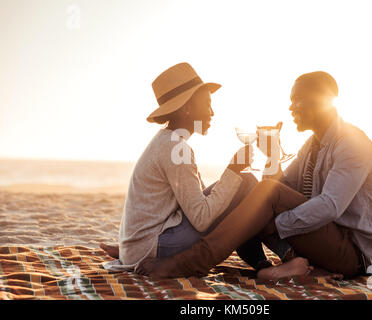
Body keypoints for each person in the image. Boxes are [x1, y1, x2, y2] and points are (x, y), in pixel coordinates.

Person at [133, 71, 372, 280]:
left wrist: (273, 221)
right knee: (251, 192)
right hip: (321, 240)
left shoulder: (352, 143)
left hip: (352, 254)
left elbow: (330, 206)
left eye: (297, 99)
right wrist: (272, 155)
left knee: (259, 200)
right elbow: (281, 187)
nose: (290, 107)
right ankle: (271, 268)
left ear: (322, 101)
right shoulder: (312, 146)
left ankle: (189, 263)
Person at [101, 63, 307, 278]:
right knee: (247, 187)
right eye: (207, 104)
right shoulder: (175, 148)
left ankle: (266, 264)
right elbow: (201, 218)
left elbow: (196, 204)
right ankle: (284, 257)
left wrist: (235, 175)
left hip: (144, 243)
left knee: (245, 186)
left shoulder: (169, 142)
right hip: (153, 246)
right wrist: (233, 169)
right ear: (186, 108)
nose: (212, 112)